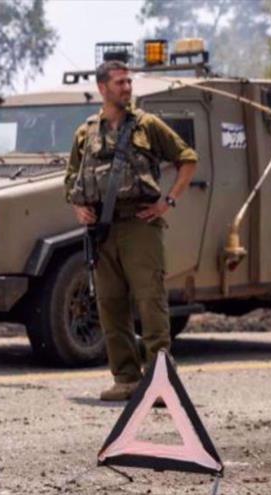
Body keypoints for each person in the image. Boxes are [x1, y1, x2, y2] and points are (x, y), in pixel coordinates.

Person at [65, 60, 198, 401]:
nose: (127, 88)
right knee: (110, 304)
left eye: (128, 82)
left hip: (141, 226)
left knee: (150, 302)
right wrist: (78, 206)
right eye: (120, 82)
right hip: (102, 230)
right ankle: (125, 378)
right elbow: (71, 178)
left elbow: (187, 159)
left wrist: (168, 201)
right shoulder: (86, 132)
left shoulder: (147, 125)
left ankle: (159, 383)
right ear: (102, 88)